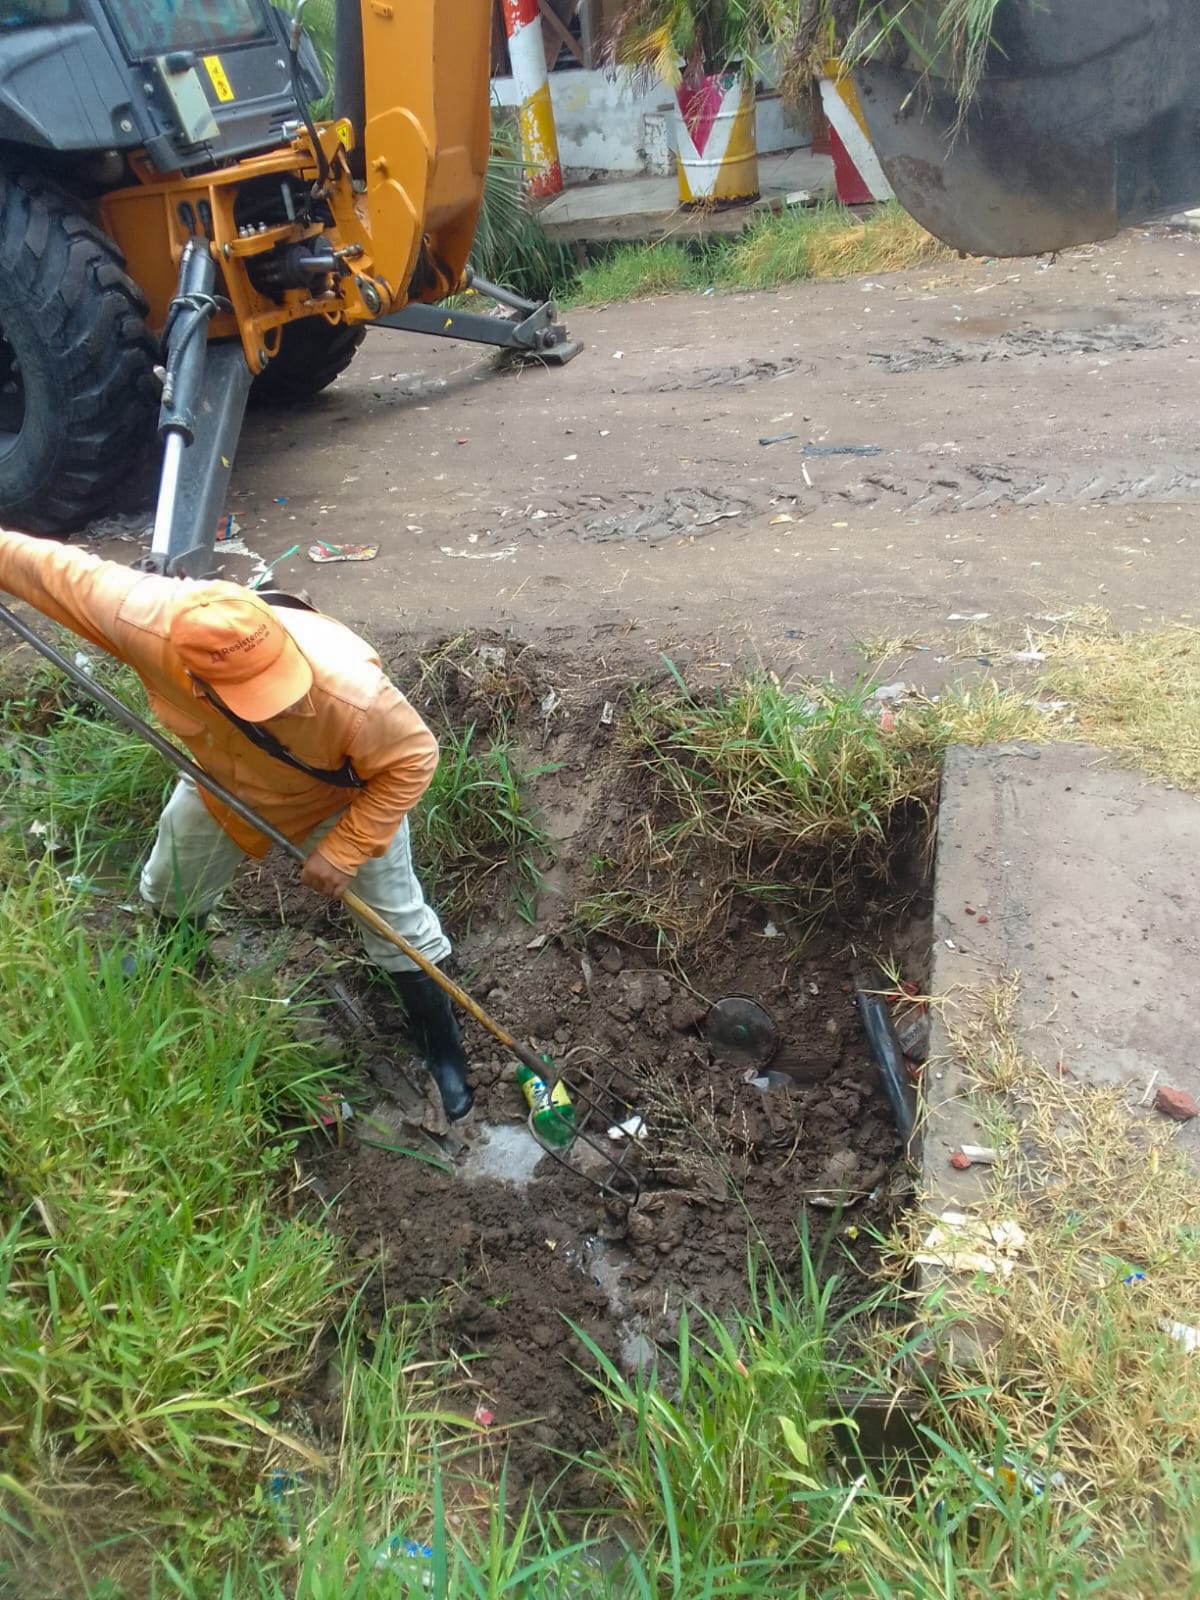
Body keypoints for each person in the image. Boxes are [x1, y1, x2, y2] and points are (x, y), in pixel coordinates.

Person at [0, 529, 473, 1120]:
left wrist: (345, 849)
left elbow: (413, 759)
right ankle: (179, 969)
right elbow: (49, 568)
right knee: (171, 882)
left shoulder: (352, 692)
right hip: (226, 784)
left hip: (336, 799)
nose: (278, 704)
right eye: (254, 696)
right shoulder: (145, 620)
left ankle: (439, 1043)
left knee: (397, 923)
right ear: (197, 682)